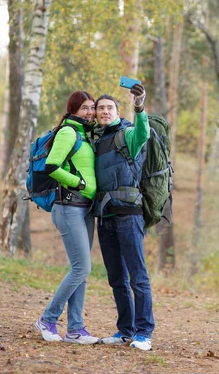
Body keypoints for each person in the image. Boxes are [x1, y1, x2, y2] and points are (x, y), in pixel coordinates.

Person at [34, 91, 99, 344]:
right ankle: (47, 320)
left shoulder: (84, 135)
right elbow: (52, 165)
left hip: (85, 209)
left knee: (80, 271)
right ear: (73, 110)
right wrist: (79, 183)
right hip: (69, 206)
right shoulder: (68, 133)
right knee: (82, 267)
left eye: (92, 108)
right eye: (85, 108)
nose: (90, 112)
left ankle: (75, 329)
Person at [93, 84, 155, 351]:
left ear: (117, 112)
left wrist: (139, 106)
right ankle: (125, 330)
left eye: (109, 107)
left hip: (129, 215)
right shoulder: (96, 139)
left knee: (137, 276)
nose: (105, 111)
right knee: (116, 277)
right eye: (100, 108)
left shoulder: (127, 134)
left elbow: (143, 133)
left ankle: (144, 333)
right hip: (105, 217)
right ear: (95, 114)